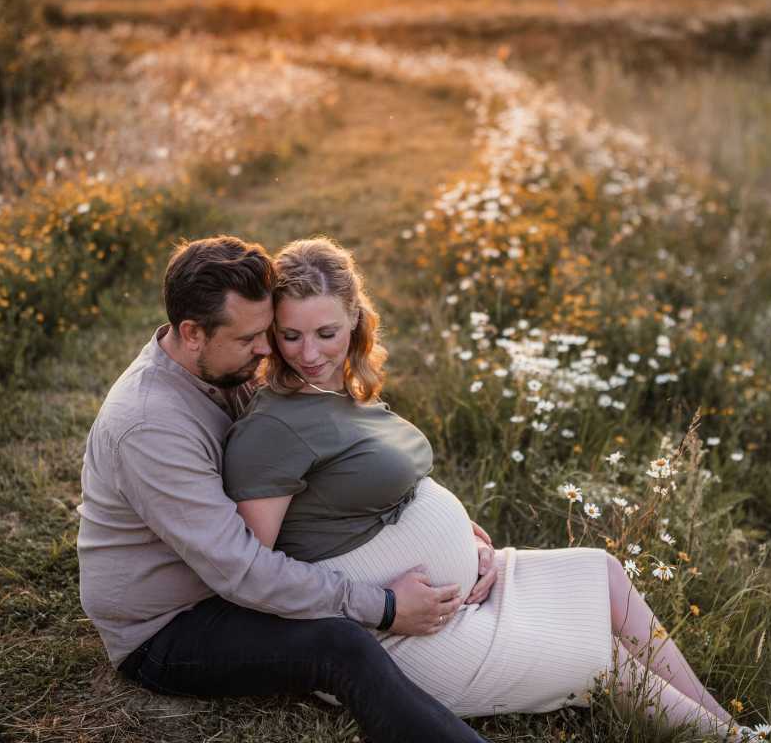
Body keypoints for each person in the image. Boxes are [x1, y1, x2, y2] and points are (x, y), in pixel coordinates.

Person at [222, 237, 755, 741]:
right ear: (272, 331)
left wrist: (469, 544)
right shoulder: (273, 429)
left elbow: (381, 483)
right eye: (290, 336)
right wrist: (381, 605)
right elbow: (257, 575)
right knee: (601, 661)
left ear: (355, 318)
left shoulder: (340, 390)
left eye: (326, 333)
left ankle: (720, 720)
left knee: (605, 573)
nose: (309, 353)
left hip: (456, 595)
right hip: (400, 636)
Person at [76, 235, 490, 743]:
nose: (268, 349)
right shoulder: (149, 426)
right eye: (251, 338)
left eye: (268, 331)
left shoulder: (226, 368)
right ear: (192, 333)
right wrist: (382, 606)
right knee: (340, 646)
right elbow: (241, 571)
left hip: (226, 580)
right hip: (172, 625)